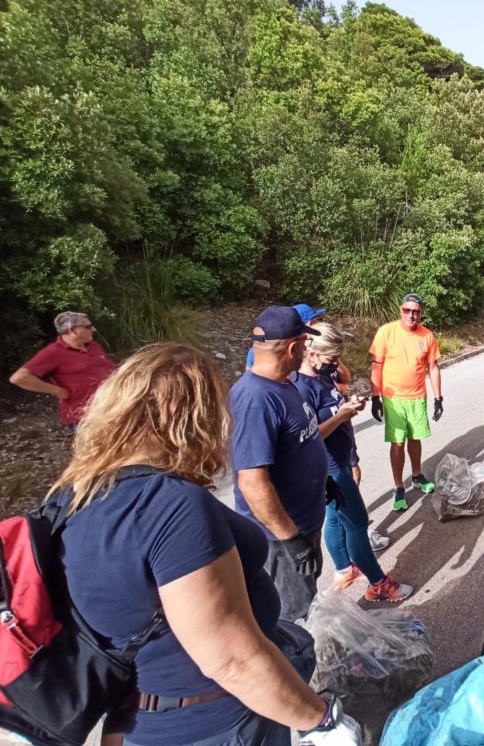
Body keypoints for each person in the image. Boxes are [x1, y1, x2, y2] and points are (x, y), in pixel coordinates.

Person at [50, 343, 361, 746]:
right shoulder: (169, 505)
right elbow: (232, 660)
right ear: (195, 416)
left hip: (138, 718)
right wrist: (319, 720)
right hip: (213, 719)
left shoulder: (74, 496)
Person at [293, 322, 413, 602]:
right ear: (310, 351)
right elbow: (309, 436)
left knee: (336, 518)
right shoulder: (301, 389)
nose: (335, 363)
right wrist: (341, 416)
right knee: (357, 523)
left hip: (341, 458)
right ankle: (379, 584)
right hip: (330, 466)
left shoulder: (323, 376)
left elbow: (336, 405)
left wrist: (349, 410)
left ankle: (345, 569)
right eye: (330, 357)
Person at [230, 306, 328, 622]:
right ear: (291, 347)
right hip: (281, 540)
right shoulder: (255, 399)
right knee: (295, 620)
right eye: (305, 342)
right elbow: (251, 481)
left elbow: (299, 442)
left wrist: (324, 481)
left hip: (303, 522)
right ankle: (303, 672)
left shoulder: (283, 384)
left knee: (308, 605)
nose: (307, 349)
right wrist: (290, 540)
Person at [369, 294, 443, 512]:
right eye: (407, 310)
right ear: (400, 310)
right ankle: (398, 486)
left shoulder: (427, 335)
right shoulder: (386, 332)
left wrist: (438, 397)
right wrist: (375, 397)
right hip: (393, 398)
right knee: (397, 442)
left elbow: (433, 367)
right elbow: (376, 366)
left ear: (421, 313)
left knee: (415, 437)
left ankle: (417, 475)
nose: (411, 315)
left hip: (417, 396)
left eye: (416, 311)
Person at [9, 311, 115, 427]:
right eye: (88, 327)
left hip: (109, 408)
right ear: (73, 330)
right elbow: (19, 378)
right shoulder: (53, 352)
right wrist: (57, 390)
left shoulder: (93, 346)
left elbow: (109, 369)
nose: (93, 329)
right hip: (84, 416)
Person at [246, 303, 326, 370]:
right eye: (319, 319)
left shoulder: (257, 349)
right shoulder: (305, 352)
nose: (322, 323)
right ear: (308, 324)